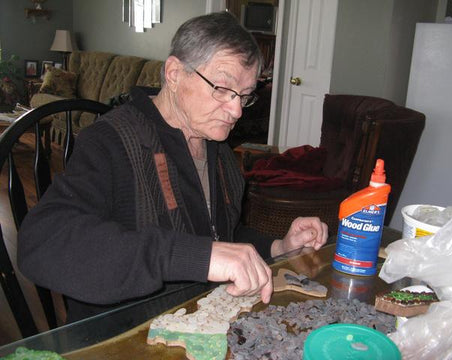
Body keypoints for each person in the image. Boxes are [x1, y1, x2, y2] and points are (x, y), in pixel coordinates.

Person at [18, 12, 328, 323]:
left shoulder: (218, 151)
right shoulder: (110, 142)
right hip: (124, 335)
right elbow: (42, 243)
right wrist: (194, 257)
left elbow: (218, 234)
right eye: (222, 89)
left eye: (244, 97)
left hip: (198, 324)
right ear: (174, 73)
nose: (235, 111)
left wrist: (277, 246)